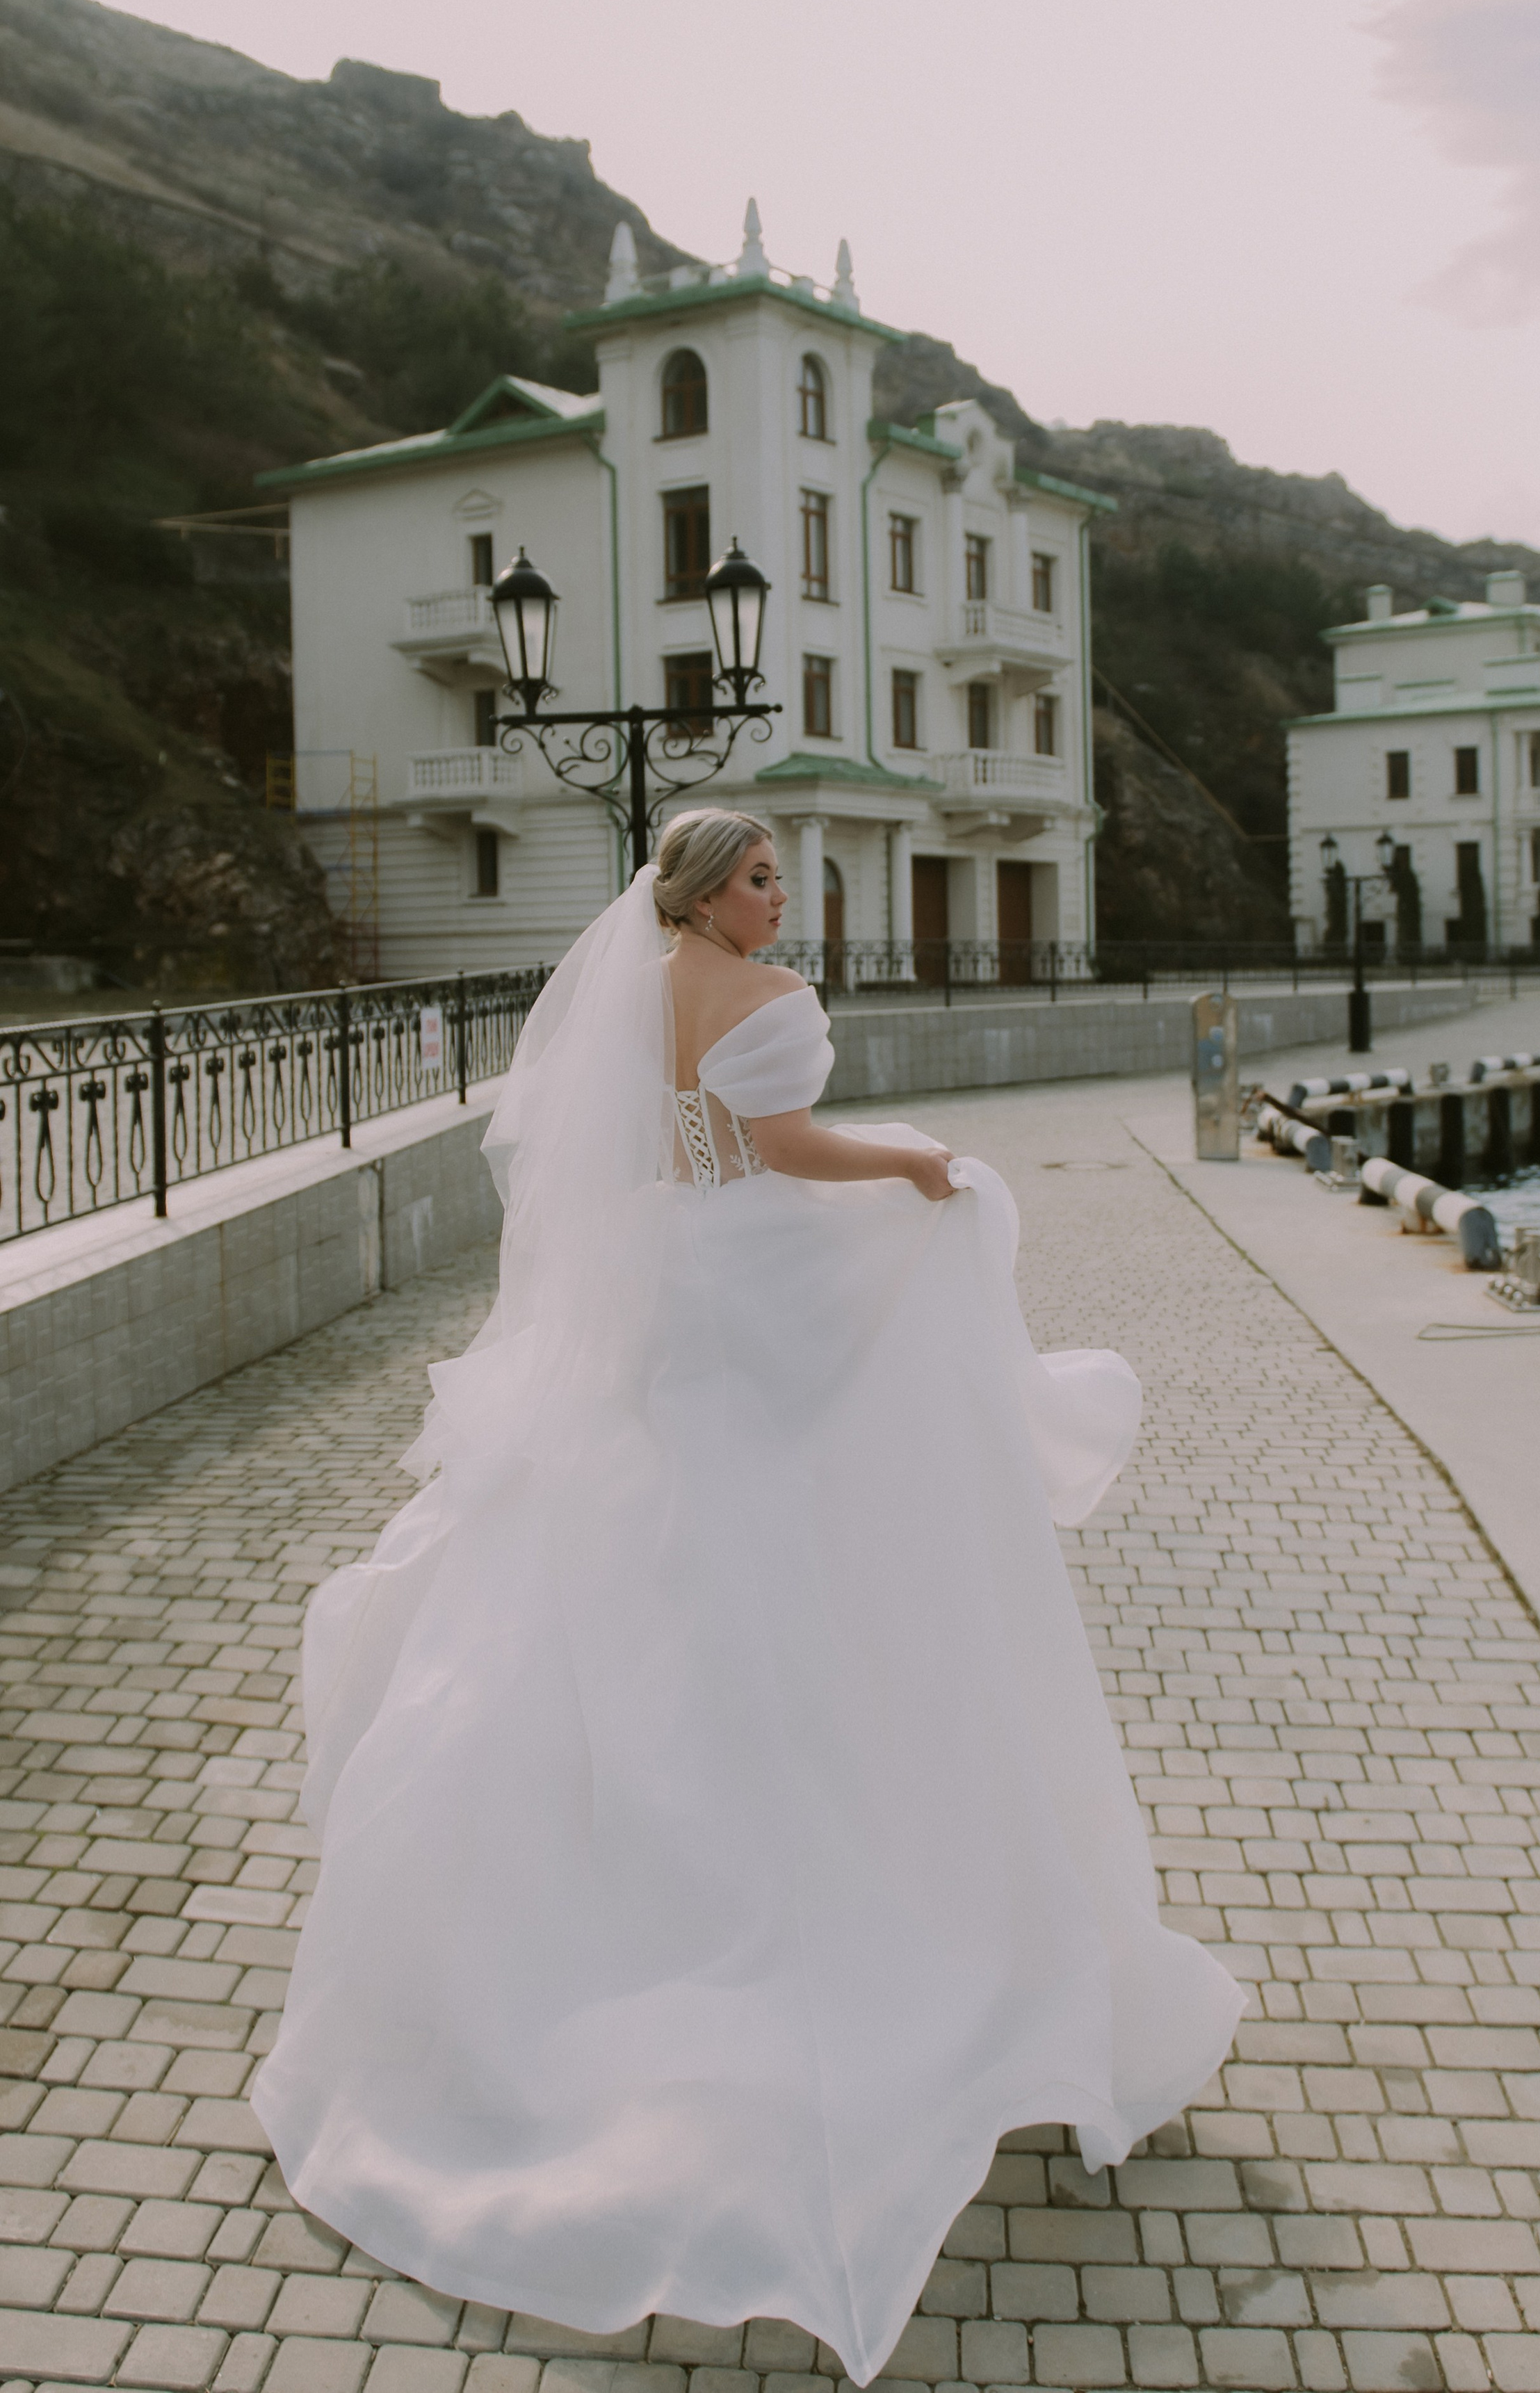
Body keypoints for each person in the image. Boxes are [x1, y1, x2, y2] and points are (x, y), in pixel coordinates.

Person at [253, 808, 1242, 2385]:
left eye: (784, 877)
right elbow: (783, 1150)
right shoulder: (761, 1001)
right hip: (747, 1283)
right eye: (764, 878)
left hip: (658, 1293)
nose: (785, 899)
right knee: (803, 1531)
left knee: (654, 1545)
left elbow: (645, 1152)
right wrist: (916, 1160)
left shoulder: (630, 988)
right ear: (708, 893)